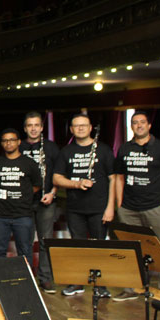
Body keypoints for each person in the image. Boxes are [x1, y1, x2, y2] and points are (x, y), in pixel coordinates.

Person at [53, 113, 115, 298]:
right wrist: (77, 184)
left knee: (99, 247)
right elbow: (57, 178)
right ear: (71, 130)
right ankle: (77, 283)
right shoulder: (66, 152)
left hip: (99, 208)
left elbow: (114, 180)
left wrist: (110, 207)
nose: (80, 128)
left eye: (84, 125)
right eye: (76, 126)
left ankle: (101, 285)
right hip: (75, 209)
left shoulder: (104, 150)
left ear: (90, 128)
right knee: (77, 247)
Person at [113, 110, 160, 300]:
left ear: (149, 125)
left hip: (155, 207)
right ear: (131, 126)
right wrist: (120, 205)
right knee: (131, 250)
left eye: (142, 122)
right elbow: (119, 177)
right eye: (135, 122)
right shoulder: (124, 149)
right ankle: (132, 289)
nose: (139, 125)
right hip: (129, 209)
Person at [20, 111, 60, 294]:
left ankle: (45, 279)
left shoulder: (51, 148)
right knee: (24, 241)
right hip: (24, 202)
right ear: (25, 128)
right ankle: (25, 277)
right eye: (30, 125)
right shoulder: (18, 147)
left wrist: (53, 192)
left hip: (46, 200)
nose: (33, 129)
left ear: (42, 127)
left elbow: (58, 175)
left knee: (45, 241)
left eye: (37, 125)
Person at [0, 129, 42, 265]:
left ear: (19, 142)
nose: (9, 143)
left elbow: (37, 185)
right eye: (5, 140)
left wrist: (24, 193)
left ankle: (26, 284)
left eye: (12, 140)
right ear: (2, 143)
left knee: (25, 251)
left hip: (23, 215)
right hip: (0, 216)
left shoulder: (29, 163)